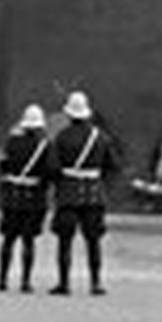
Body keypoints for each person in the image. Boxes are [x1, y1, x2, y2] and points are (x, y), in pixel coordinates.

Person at [48, 91, 122, 296]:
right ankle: (95, 283)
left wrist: (60, 183)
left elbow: (52, 168)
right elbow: (113, 165)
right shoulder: (101, 137)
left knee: (65, 241)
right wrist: (100, 181)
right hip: (93, 193)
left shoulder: (61, 137)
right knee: (93, 241)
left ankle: (64, 283)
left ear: (70, 114)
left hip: (68, 193)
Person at [0, 101, 53, 292]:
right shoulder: (44, 146)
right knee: (28, 241)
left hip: (12, 195)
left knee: (8, 239)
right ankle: (25, 281)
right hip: (33, 197)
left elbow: (3, 167)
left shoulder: (12, 142)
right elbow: (47, 173)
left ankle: (2, 279)